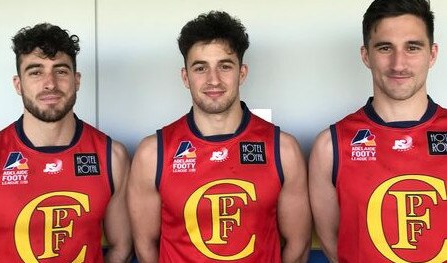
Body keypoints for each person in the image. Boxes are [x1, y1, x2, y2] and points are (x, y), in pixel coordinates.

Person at [127, 11, 311, 263]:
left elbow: (298, 245)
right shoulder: (153, 153)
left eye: (225, 66)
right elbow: (145, 246)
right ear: (185, 77)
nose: (213, 80)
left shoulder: (283, 149)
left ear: (242, 73)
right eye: (200, 68)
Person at [0, 23, 132, 262]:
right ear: (18, 84)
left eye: (60, 71)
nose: (50, 83)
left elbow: (121, 247)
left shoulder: (112, 157)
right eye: (36, 72)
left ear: (77, 80)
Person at [309, 0, 447, 262]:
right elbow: (335, 243)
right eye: (385, 48)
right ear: (365, 55)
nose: (398, 64)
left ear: (432, 54)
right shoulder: (331, 146)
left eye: (412, 47)